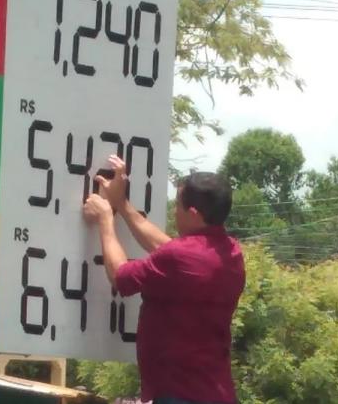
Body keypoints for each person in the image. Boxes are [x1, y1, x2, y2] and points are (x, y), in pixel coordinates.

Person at [83, 155, 245, 404]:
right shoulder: (231, 254)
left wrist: (106, 218)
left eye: (177, 205)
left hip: (179, 396)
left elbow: (120, 277)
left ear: (193, 213)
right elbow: (168, 249)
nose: (173, 210)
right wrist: (122, 204)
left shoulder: (179, 257)